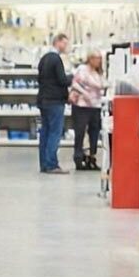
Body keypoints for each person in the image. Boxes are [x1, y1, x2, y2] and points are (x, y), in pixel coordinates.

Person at [37, 33, 73, 174]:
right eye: (64, 43)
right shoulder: (56, 59)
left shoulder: (44, 58)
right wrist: (74, 77)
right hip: (55, 101)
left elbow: (40, 78)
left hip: (43, 99)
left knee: (45, 132)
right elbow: (62, 80)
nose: (66, 46)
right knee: (54, 133)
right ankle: (52, 164)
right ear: (57, 42)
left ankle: (44, 164)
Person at [70, 51, 104, 171]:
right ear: (90, 58)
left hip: (95, 106)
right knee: (80, 132)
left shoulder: (98, 73)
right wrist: (86, 94)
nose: (98, 61)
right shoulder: (82, 69)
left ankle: (92, 157)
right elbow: (75, 84)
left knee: (94, 132)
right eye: (96, 58)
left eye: (100, 58)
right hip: (81, 105)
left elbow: (101, 86)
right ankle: (79, 158)